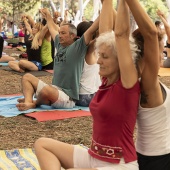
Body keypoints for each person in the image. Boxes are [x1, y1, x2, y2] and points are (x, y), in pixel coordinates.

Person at [33, 0, 141, 169]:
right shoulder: (105, 82)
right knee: (42, 144)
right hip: (94, 157)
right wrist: (106, 2)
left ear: (121, 60)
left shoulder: (126, 85)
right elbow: (106, 32)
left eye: (104, 57)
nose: (98, 60)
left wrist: (124, 4)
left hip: (120, 164)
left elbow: (120, 34)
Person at [16, 7, 99, 111]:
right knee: (27, 77)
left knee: (46, 91)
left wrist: (105, 8)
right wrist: (48, 15)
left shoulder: (78, 48)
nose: (60, 35)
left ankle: (35, 103)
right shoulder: (59, 45)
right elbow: (51, 27)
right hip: (55, 90)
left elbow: (91, 30)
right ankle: (28, 102)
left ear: (73, 35)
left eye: (63, 33)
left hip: (67, 98)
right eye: (60, 33)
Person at [124, 0, 170, 170]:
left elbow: (120, 34)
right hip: (160, 159)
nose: (163, 54)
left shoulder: (133, 80)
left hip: (146, 155)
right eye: (161, 49)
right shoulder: (147, 84)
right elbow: (150, 33)